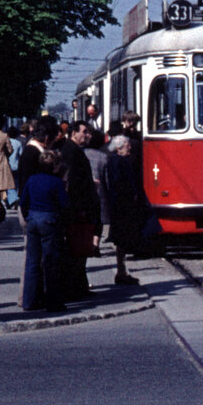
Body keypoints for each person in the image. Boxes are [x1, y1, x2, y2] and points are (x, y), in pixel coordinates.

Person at [56, 120, 100, 300]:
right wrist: (80, 207)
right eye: (85, 132)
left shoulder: (72, 150)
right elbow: (72, 182)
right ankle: (75, 288)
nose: (88, 135)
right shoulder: (71, 151)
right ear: (74, 133)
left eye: (89, 132)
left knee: (79, 249)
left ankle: (79, 286)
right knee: (77, 249)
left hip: (78, 207)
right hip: (78, 208)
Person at [21, 150, 68, 310]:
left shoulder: (32, 179)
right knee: (50, 261)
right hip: (49, 219)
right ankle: (53, 301)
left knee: (32, 261)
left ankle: (29, 300)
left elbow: (23, 201)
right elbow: (64, 204)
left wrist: (28, 216)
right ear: (54, 166)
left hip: (33, 217)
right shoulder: (56, 182)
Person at [105, 134, 149, 285]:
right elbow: (121, 185)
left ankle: (122, 271)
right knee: (122, 240)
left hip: (120, 206)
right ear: (119, 148)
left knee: (122, 241)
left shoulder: (115, 160)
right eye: (126, 145)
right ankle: (121, 272)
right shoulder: (119, 162)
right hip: (123, 207)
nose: (130, 147)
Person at [84, 127, 109, 258]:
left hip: (85, 191)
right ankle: (95, 244)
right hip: (100, 192)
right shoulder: (103, 157)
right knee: (98, 220)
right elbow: (107, 178)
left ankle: (87, 243)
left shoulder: (82, 153)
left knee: (87, 218)